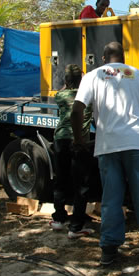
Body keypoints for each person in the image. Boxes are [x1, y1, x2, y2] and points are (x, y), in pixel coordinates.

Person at [71, 42, 139, 266]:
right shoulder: (136, 75)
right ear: (124, 57)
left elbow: (77, 109)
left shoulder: (92, 76)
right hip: (137, 144)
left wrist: (79, 140)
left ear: (103, 57)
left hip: (108, 146)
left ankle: (109, 250)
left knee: (111, 199)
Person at [49, 64, 95, 238]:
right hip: (79, 142)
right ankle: (76, 226)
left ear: (67, 80)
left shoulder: (60, 96)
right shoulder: (88, 98)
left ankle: (58, 219)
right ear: (81, 79)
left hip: (61, 140)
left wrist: (66, 84)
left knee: (60, 180)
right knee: (81, 185)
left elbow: (60, 92)